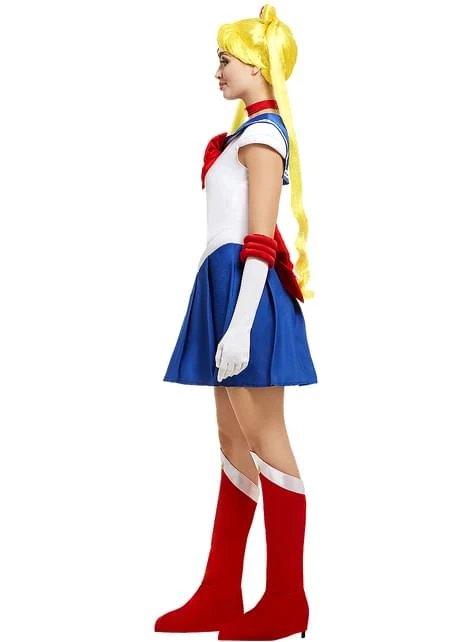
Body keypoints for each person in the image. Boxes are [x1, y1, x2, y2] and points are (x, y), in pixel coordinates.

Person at [155, 4, 318, 640]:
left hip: (246, 294)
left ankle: (287, 599)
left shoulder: (264, 138)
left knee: (266, 437)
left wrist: (242, 321)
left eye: (226, 60)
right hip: (221, 287)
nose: (218, 70)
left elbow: (259, 237)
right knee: (231, 441)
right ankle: (222, 591)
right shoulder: (243, 136)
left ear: (257, 65)